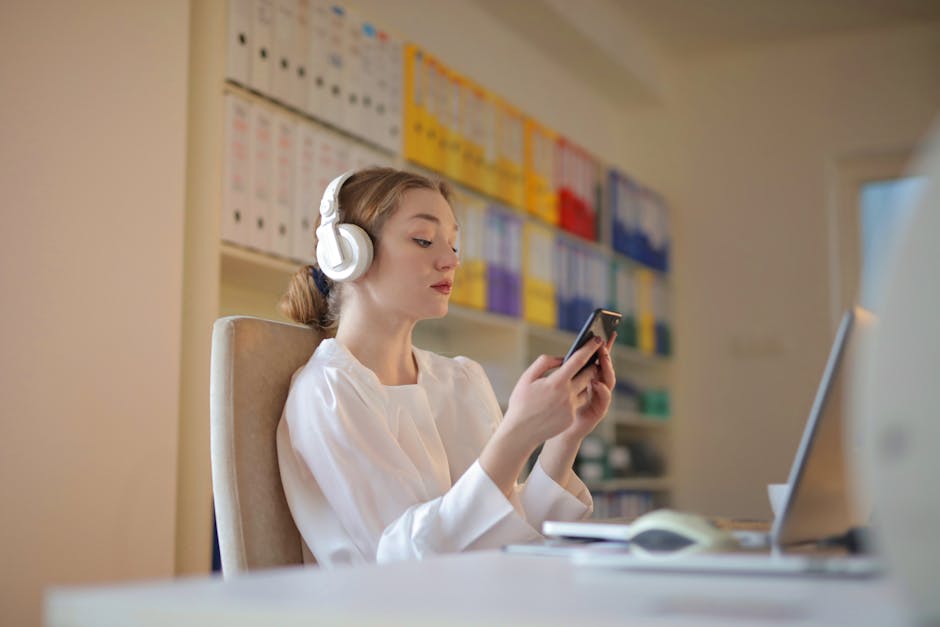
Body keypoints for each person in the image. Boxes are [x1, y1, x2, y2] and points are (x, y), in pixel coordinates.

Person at [276, 167, 616, 566]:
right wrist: (518, 433)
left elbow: (510, 531)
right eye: (423, 240)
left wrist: (566, 435)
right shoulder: (328, 391)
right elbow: (406, 562)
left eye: (453, 245)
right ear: (348, 254)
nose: (451, 261)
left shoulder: (461, 379)